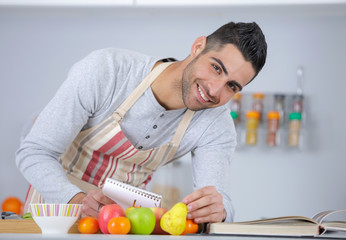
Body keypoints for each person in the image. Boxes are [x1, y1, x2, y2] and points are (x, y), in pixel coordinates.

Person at [16, 21, 267, 223]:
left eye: (231, 86)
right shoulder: (107, 71)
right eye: (216, 68)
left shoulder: (216, 125)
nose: (214, 90)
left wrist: (218, 212)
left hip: (121, 225)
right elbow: (35, 152)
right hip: (52, 217)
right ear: (198, 46)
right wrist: (77, 200)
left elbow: (222, 202)